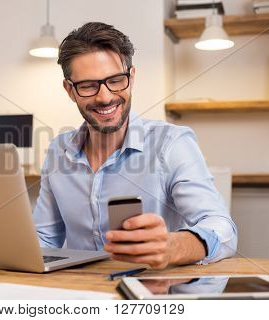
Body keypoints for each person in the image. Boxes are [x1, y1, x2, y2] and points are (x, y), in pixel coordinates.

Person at [33, 22, 237, 269]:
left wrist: (174, 246)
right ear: (70, 90)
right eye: (88, 85)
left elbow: (222, 229)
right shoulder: (58, 151)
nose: (105, 97)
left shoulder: (172, 143)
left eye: (116, 80)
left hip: (151, 295)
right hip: (81, 296)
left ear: (131, 78)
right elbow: (44, 239)